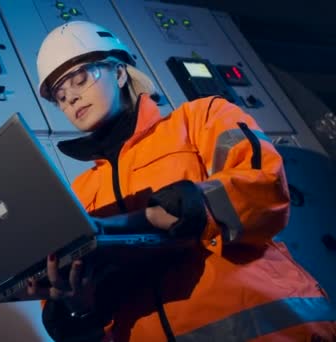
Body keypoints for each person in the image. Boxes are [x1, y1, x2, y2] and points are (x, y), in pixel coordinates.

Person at [25, 21, 336, 342]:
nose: (72, 98)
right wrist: (77, 306)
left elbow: (262, 184)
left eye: (80, 79)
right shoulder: (81, 193)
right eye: (60, 96)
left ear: (119, 74)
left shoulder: (202, 118)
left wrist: (191, 207)